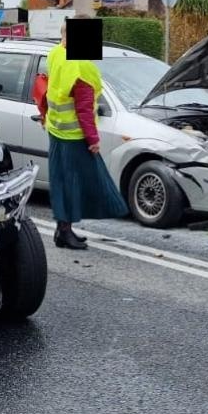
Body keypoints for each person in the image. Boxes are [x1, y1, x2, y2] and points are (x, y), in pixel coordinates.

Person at [41, 26, 126, 249]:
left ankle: (63, 230)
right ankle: (65, 232)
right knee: (76, 184)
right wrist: (93, 140)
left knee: (62, 183)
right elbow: (84, 109)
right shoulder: (82, 67)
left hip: (56, 130)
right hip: (74, 136)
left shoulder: (55, 53)